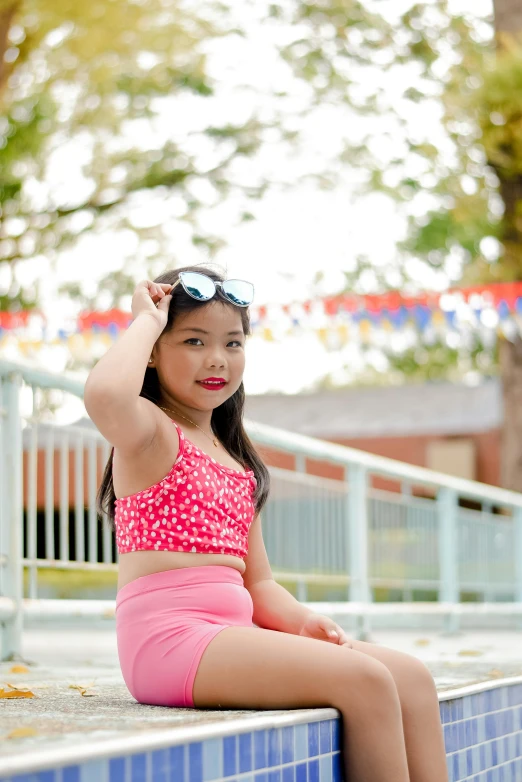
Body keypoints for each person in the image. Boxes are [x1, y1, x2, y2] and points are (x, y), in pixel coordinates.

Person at [84, 264, 448, 782]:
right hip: (168, 641)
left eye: (233, 344)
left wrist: (301, 622)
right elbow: (105, 396)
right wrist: (145, 319)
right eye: (193, 340)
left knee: (411, 678)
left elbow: (259, 583)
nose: (216, 359)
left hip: (229, 633)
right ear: (153, 352)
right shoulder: (151, 434)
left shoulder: (237, 463)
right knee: (364, 679)